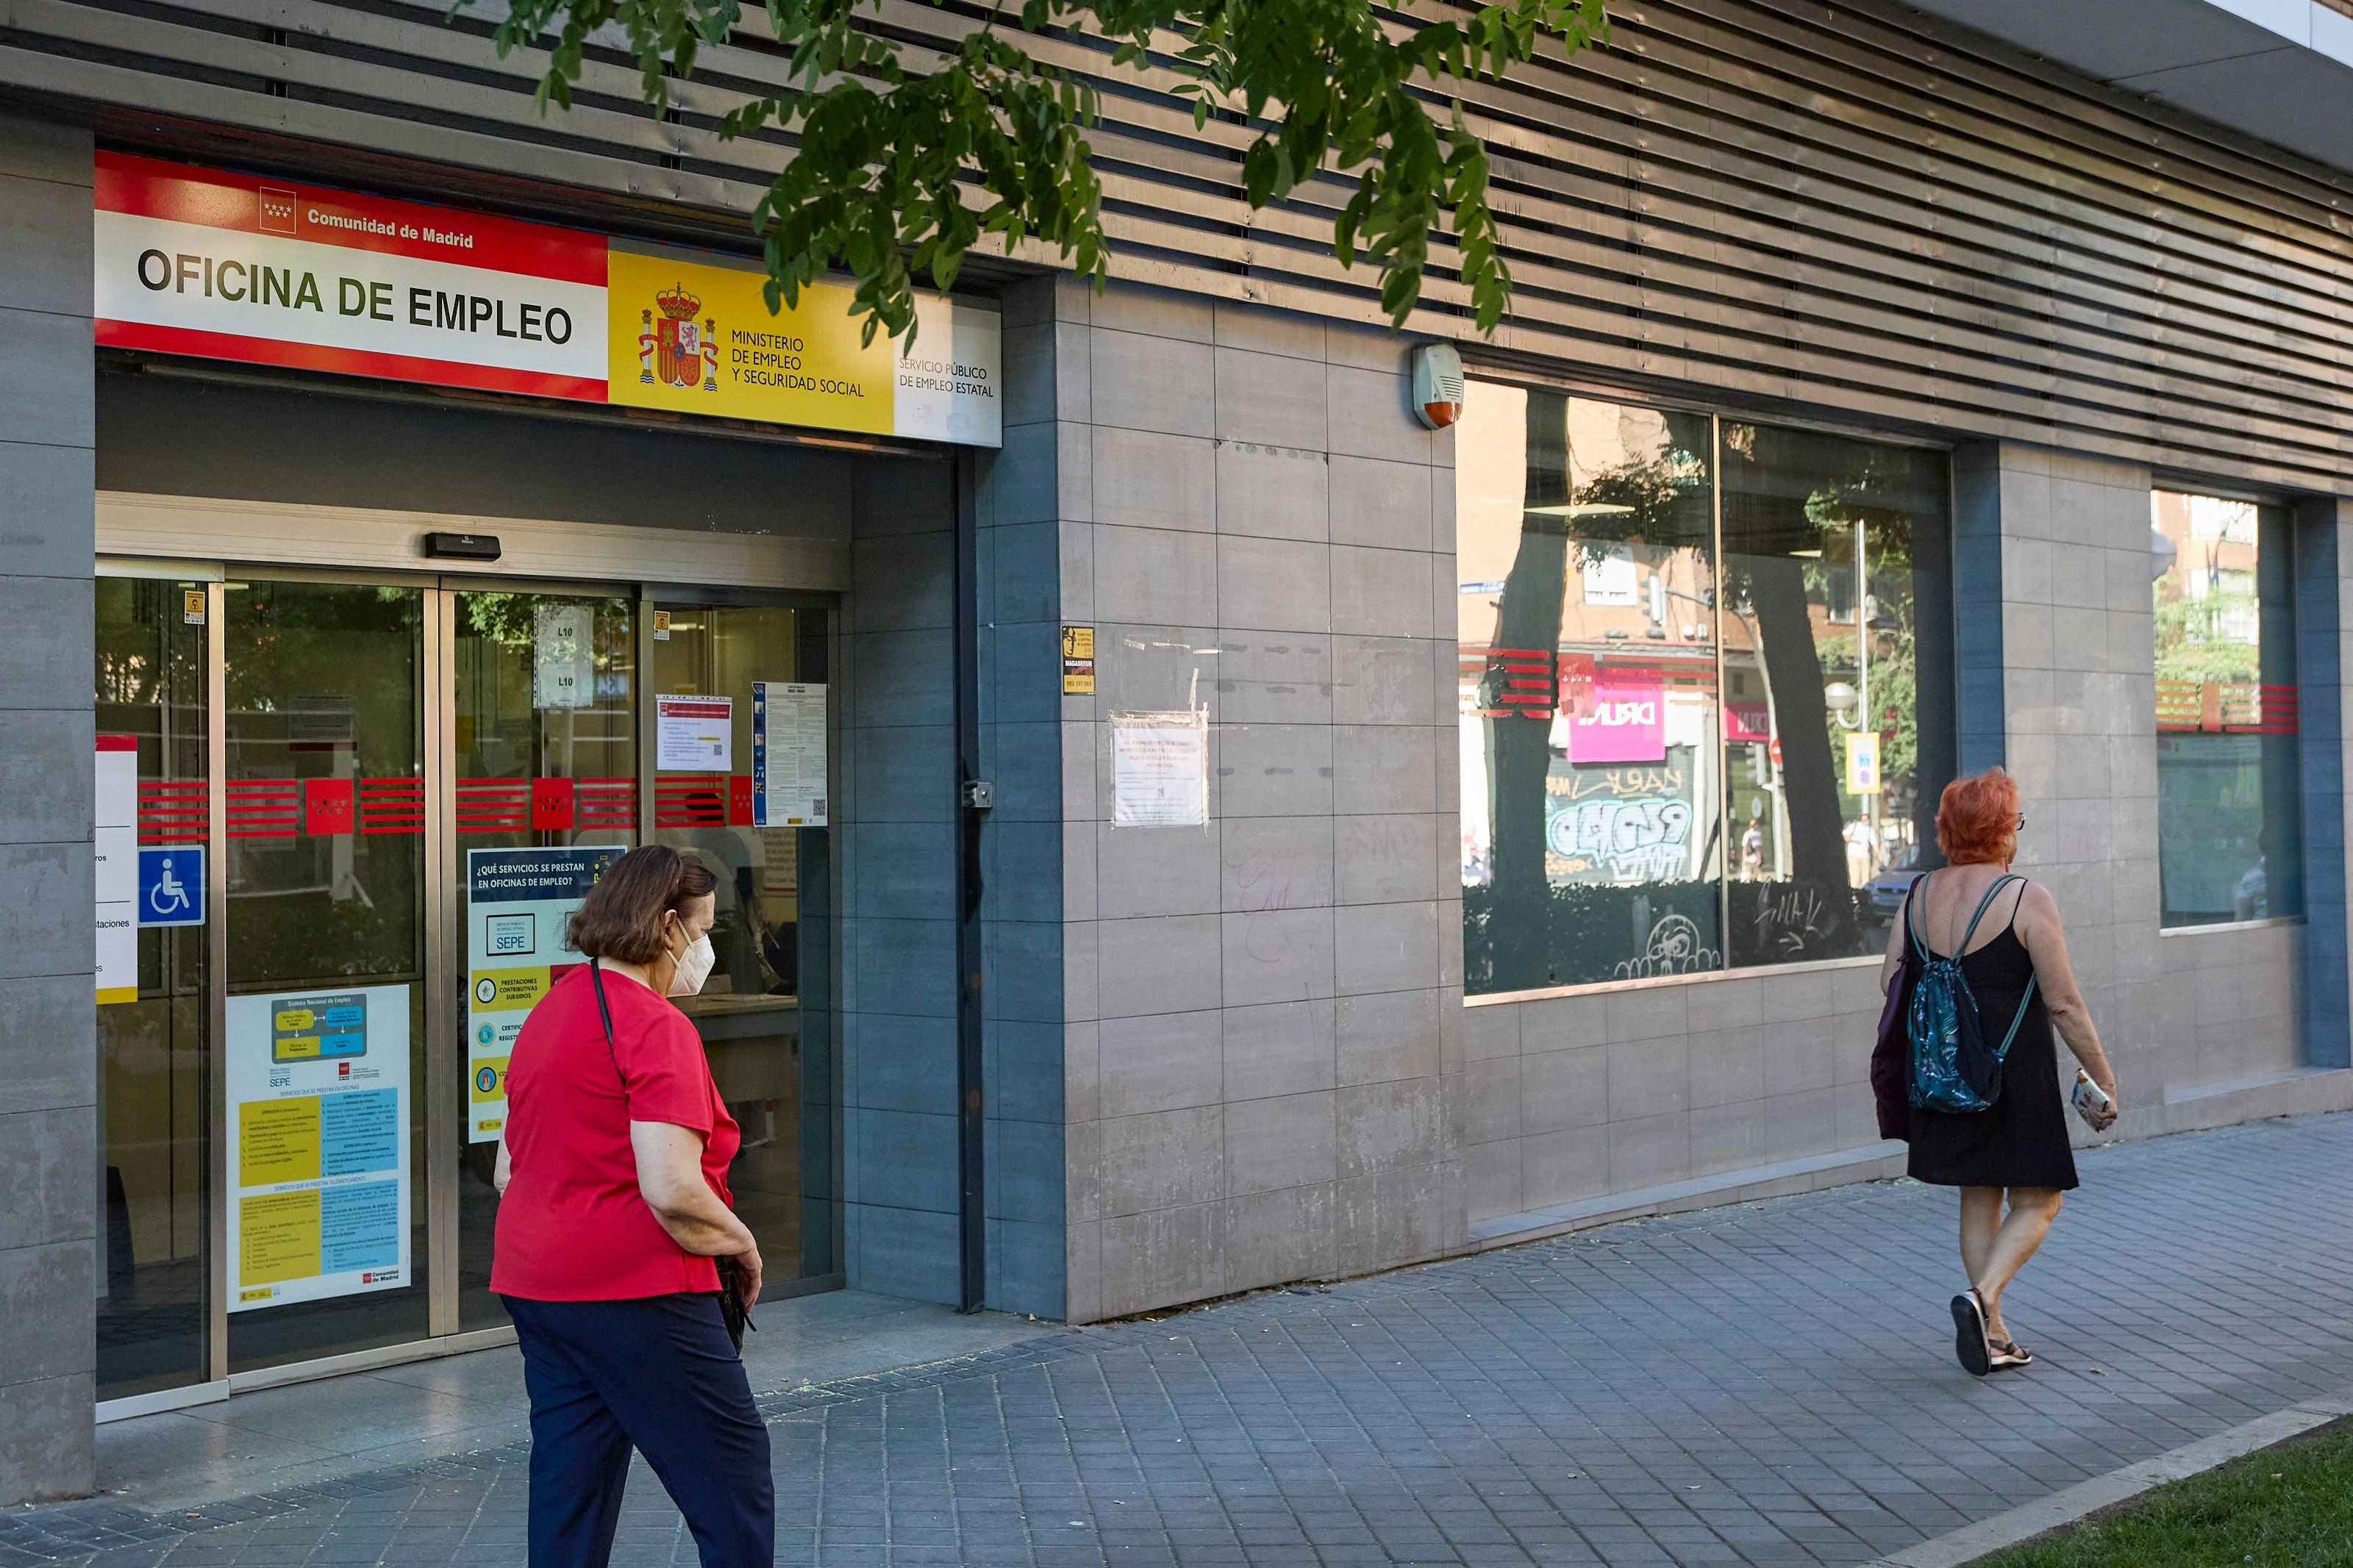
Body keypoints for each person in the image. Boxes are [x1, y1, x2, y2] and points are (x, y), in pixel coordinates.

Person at [490, 844, 772, 1567]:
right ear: (667, 928)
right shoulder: (656, 1028)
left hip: (537, 1288)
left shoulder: (552, 1010)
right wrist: (738, 1241)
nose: (707, 949)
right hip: (639, 1293)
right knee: (731, 1481)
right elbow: (671, 1189)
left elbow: (507, 1170)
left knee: (570, 1488)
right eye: (704, 931)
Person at [1878, 767, 2118, 1377]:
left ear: (1949, 830)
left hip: (1944, 1073)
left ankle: (1994, 1335)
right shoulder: (2025, 897)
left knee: (1978, 1197)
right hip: (2015, 1074)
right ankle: (1982, 1300)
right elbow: (2063, 1002)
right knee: (2040, 1201)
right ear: (2004, 828)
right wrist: (2102, 1077)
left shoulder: (1917, 893)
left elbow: (1890, 983)